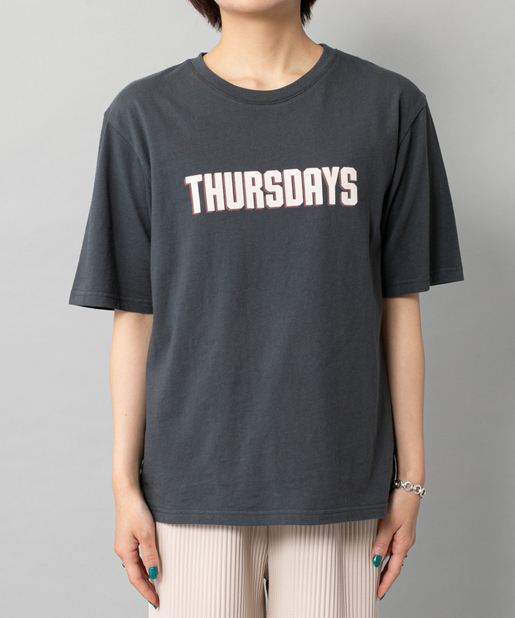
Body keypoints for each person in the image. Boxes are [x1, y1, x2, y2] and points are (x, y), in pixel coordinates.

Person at [68, 1, 464, 616]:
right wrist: (124, 487)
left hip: (337, 482)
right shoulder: (143, 115)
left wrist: (411, 480)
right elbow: (136, 319)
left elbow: (400, 307)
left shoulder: (388, 106)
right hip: (191, 488)